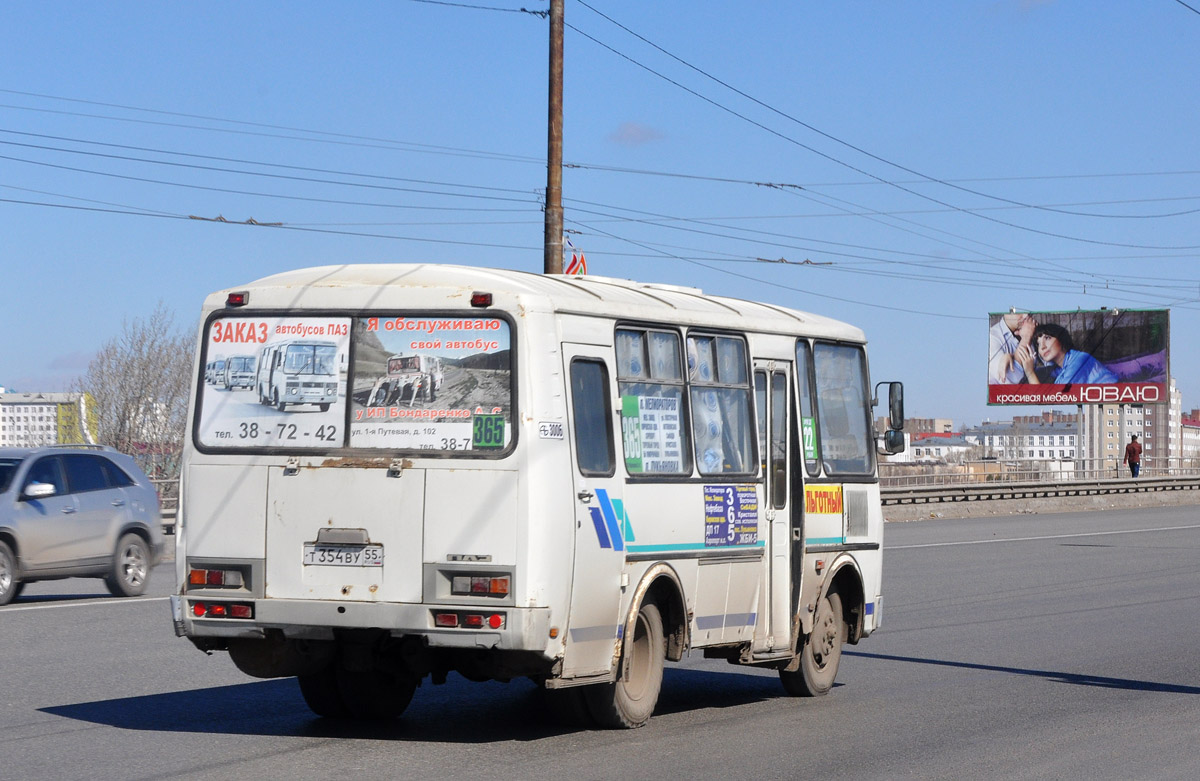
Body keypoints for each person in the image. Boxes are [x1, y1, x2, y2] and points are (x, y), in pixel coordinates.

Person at [1016, 322, 1118, 385]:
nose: (1042, 347)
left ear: (1061, 338)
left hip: (1116, 402)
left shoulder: (1079, 359)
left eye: (1047, 338)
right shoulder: (1058, 369)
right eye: (1038, 344)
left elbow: (1057, 398)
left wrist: (1030, 372)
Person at [988, 313, 1037, 384]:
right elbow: (1007, 379)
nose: (1026, 316)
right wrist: (1026, 337)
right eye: (1018, 312)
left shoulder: (1029, 328)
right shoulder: (992, 337)